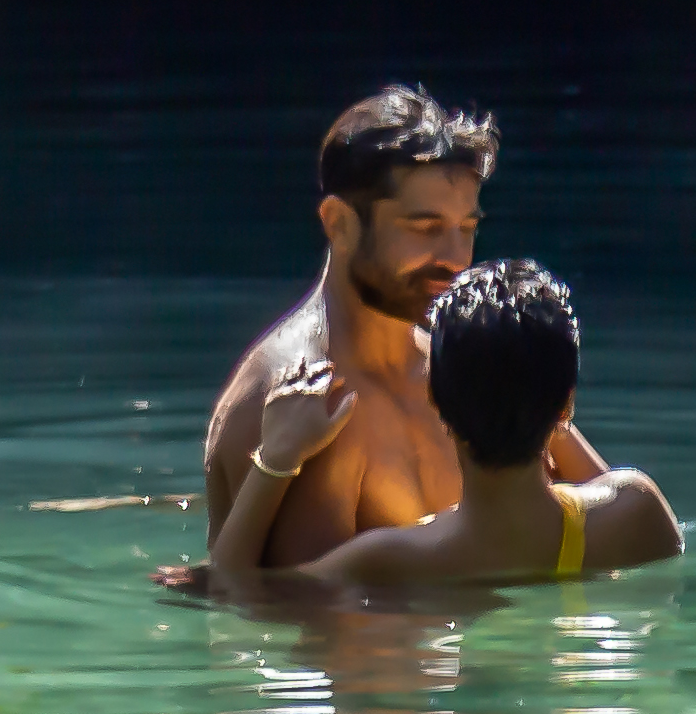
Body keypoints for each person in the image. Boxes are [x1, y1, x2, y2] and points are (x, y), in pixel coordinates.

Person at [188, 83, 606, 585]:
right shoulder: (300, 409)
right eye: (425, 228)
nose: (455, 260)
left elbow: (609, 525)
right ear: (340, 224)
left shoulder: (467, 366)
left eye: (467, 229)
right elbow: (306, 627)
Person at [228, 259, 678, 598]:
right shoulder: (637, 512)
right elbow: (597, 484)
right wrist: (540, 401)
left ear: (435, 401)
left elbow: (233, 588)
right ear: (566, 405)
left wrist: (276, 458)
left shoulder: (389, 560)